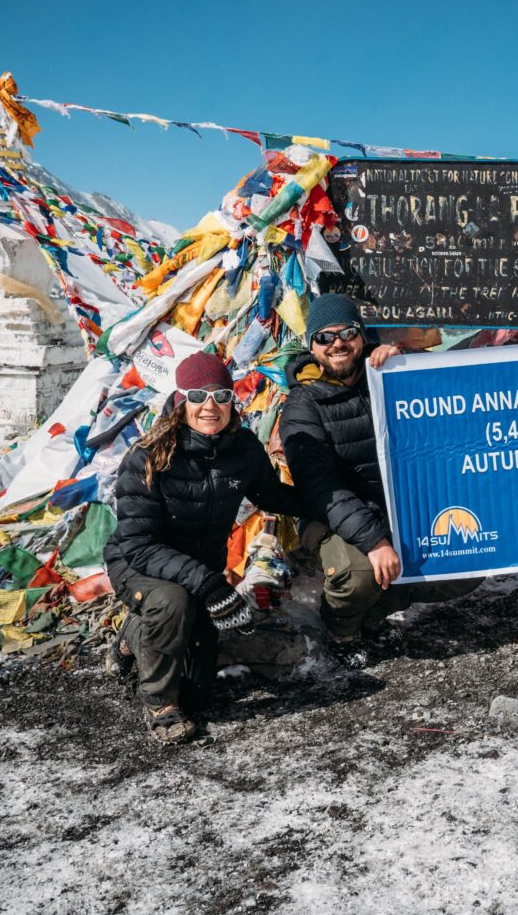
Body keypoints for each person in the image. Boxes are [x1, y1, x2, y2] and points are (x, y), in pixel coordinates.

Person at [105, 352, 311, 743]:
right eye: (198, 395)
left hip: (197, 570)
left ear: (233, 400)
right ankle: (159, 704)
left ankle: (133, 633)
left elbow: (272, 495)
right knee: (172, 602)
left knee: (198, 693)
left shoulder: (242, 448)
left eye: (220, 395)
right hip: (140, 564)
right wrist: (209, 583)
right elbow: (138, 544)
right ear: (181, 401)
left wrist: (326, 502)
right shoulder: (148, 457)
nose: (209, 406)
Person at [279, 293, 480, 665]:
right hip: (330, 515)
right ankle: (341, 627)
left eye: (347, 333)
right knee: (360, 573)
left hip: (397, 507)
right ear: (312, 346)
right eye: (324, 337)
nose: (337, 343)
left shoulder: (387, 373)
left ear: (361, 336)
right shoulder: (302, 405)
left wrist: (407, 362)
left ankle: (374, 612)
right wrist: (374, 540)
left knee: (470, 561)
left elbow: (453, 392)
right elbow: (321, 487)